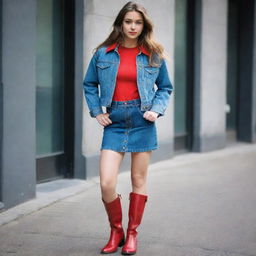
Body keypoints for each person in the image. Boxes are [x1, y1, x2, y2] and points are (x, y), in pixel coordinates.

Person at [83, 1, 173, 255]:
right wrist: (97, 111)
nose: (133, 27)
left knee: (138, 179)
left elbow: (165, 87)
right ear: (120, 23)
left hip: (142, 119)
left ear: (144, 25)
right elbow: (90, 84)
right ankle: (116, 230)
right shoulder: (103, 53)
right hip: (114, 122)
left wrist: (156, 109)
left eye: (138, 22)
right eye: (128, 21)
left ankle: (132, 234)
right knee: (107, 182)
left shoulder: (154, 53)